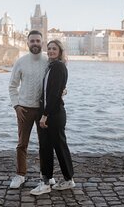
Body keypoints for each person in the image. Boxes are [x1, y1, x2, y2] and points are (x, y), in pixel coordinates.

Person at [8, 30, 55, 188]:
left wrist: (63, 90)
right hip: (24, 109)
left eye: (37, 41)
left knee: (45, 143)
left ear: (42, 43)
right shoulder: (20, 62)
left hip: (42, 110)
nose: (35, 43)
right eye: (32, 41)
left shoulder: (48, 61)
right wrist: (16, 105)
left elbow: (56, 82)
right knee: (22, 144)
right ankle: (20, 175)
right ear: (27, 43)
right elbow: (12, 86)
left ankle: (45, 174)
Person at [30, 40, 75, 196]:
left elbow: (54, 94)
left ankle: (58, 181)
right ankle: (49, 180)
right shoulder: (52, 66)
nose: (50, 51)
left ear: (60, 51)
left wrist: (45, 115)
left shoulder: (58, 67)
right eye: (48, 48)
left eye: (54, 49)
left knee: (55, 147)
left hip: (53, 115)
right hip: (51, 113)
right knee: (48, 147)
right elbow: (53, 90)